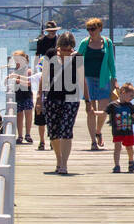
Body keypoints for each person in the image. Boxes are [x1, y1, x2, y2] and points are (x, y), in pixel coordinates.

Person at [37, 31, 86, 175]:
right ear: (58, 47)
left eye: (69, 49)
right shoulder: (50, 54)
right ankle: (58, 159)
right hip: (52, 98)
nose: (66, 52)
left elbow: (82, 79)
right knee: (53, 133)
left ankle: (64, 164)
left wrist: (88, 101)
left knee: (66, 131)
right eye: (63, 49)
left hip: (71, 99)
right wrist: (39, 98)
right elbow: (43, 77)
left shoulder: (77, 57)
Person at [76, 17, 117, 150]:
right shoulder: (84, 42)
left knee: (104, 110)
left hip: (103, 78)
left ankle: (98, 131)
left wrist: (114, 79)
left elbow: (111, 61)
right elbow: (77, 58)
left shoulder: (107, 42)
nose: (90, 31)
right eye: (88, 29)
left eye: (93, 29)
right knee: (90, 110)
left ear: (100, 28)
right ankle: (93, 140)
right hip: (87, 79)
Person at [105, 83, 134, 173]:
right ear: (123, 92)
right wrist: (94, 113)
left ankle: (131, 161)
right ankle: (116, 165)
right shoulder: (113, 105)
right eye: (130, 96)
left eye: (133, 97)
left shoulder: (129, 105)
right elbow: (104, 113)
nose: (131, 98)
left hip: (128, 132)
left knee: (129, 148)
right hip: (117, 131)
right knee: (117, 148)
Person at [32, 21, 57, 150]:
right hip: (43, 68)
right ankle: (42, 141)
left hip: (57, 72)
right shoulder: (41, 41)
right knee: (41, 116)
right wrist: (36, 70)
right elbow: (37, 55)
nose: (52, 32)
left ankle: (53, 140)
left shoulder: (59, 40)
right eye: (50, 30)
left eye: (54, 30)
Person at [8, 49, 34, 143]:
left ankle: (28, 134)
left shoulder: (29, 70)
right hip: (17, 96)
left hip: (27, 95)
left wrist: (18, 79)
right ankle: (20, 136)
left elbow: (29, 83)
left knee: (28, 114)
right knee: (19, 116)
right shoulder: (14, 71)